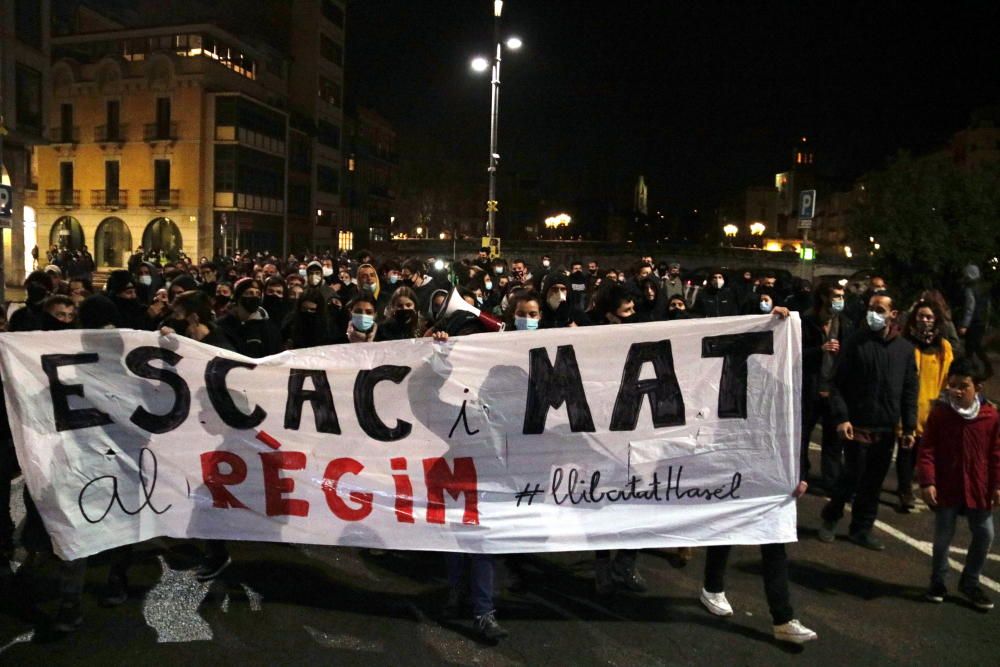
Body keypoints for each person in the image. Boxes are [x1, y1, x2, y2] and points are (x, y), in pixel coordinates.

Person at [698, 305, 818, 645]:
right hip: (736, 460)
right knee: (727, 527)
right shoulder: (735, 375)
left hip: (772, 468)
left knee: (773, 540)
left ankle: (783, 617)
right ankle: (712, 586)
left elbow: (799, 428)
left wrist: (801, 470)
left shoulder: (790, 382)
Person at [819, 290, 918, 550]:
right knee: (851, 476)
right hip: (857, 424)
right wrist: (842, 418)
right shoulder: (855, 343)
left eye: (880, 309)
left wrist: (909, 426)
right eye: (871, 308)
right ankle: (831, 516)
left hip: (885, 428)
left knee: (873, 483)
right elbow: (836, 384)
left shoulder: (905, 350)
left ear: (893, 315)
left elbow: (910, 390)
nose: (873, 314)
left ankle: (861, 529)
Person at [917, 357, 998, 610]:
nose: (957, 391)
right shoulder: (941, 413)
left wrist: (997, 485)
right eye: (953, 385)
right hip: (947, 486)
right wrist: (928, 481)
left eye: (964, 386)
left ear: (978, 388)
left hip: (978, 487)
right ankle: (938, 581)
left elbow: (997, 453)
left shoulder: (990, 417)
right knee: (943, 537)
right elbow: (927, 449)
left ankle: (970, 582)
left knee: (985, 534)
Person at [897, 299, 954, 511]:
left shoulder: (943, 346)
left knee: (928, 454)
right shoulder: (905, 344)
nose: (925, 320)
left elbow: (947, 376)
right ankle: (904, 492)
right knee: (906, 451)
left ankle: (929, 491)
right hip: (908, 407)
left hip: (932, 408)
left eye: (929, 317)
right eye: (921, 316)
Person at [801, 283, 853, 491]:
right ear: (823, 297)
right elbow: (796, 353)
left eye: (842, 296)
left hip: (833, 390)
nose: (839, 300)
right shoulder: (806, 322)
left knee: (833, 440)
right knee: (803, 436)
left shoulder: (845, 324)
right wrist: (819, 350)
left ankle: (831, 482)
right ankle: (801, 475)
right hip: (810, 388)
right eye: (835, 296)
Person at [216, 279, 283, 358]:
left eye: (258, 294)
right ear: (238, 298)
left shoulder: (270, 328)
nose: (254, 297)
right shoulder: (222, 325)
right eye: (249, 293)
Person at [958, 264, 993, 379]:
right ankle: (981, 369)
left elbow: (970, 308)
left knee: (970, 347)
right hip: (981, 322)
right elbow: (988, 307)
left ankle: (971, 371)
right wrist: (986, 322)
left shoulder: (969, 289)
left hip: (973, 323)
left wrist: (964, 325)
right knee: (975, 347)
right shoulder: (983, 288)